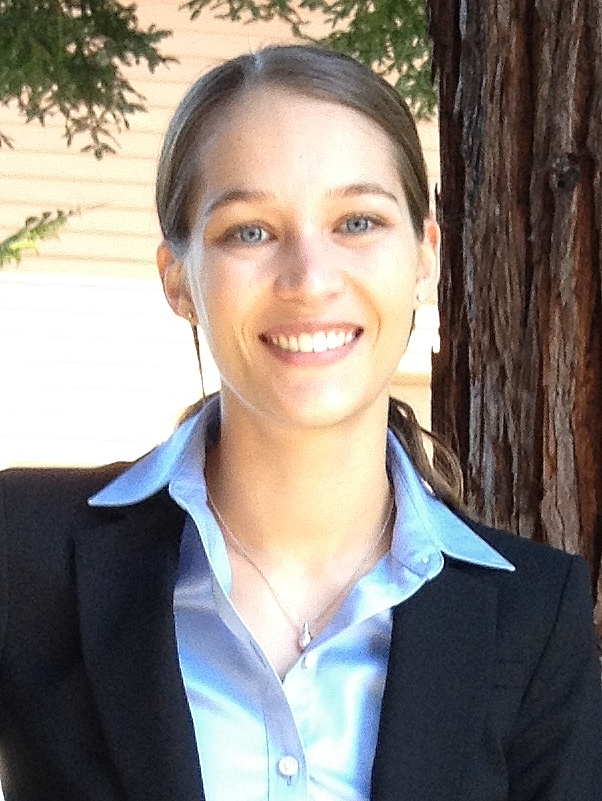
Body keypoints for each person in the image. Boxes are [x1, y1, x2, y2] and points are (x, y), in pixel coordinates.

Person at [0, 44, 600, 801]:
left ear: (424, 255)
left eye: (357, 220)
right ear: (177, 279)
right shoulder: (24, 550)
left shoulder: (532, 615)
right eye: (249, 230)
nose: (310, 278)